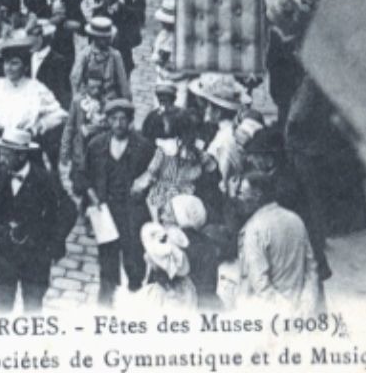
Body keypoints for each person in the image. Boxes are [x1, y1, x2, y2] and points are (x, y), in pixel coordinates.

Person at [0, 127, 63, 313]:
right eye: (0, 153)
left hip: (34, 260)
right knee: (1, 310)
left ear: (21, 156)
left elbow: (63, 214)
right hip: (2, 259)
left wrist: (49, 246)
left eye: (6, 155)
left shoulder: (45, 181)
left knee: (33, 311)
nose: (0, 159)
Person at [74, 98, 156, 306]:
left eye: (123, 119)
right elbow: (82, 175)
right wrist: (93, 199)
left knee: (134, 257)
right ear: (108, 121)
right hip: (105, 210)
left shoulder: (143, 146)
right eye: (114, 119)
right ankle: (105, 304)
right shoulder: (96, 144)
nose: (119, 124)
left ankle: (136, 296)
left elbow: (155, 175)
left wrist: (144, 186)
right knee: (107, 260)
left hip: (133, 212)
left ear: (130, 121)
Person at [0, 34, 69, 184]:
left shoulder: (35, 88)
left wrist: (37, 127)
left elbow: (60, 114)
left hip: (25, 149)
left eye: (14, 63)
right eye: (6, 63)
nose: (9, 68)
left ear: (25, 66)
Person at [234, 171, 324, 315]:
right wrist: (306, 304)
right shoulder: (296, 220)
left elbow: (259, 282)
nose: (238, 198)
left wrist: (286, 309)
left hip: (270, 313)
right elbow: (311, 268)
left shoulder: (254, 229)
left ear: (257, 195)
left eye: (241, 193)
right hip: (301, 309)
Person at [132, 110, 222, 228]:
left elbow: (147, 178)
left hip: (178, 207)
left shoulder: (172, 152)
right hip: (176, 206)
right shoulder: (168, 151)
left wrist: (138, 187)